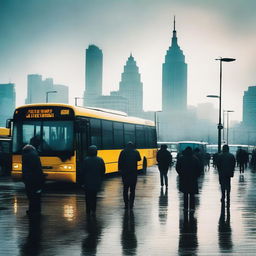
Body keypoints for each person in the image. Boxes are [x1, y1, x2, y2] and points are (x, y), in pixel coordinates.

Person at [22, 144, 45, 216]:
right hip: (35, 178)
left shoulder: (27, 155)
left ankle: (33, 210)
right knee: (36, 195)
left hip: (31, 179)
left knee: (31, 195)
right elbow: (38, 168)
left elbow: (28, 169)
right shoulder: (34, 154)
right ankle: (36, 210)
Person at [82, 145, 106, 216]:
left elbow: (82, 171)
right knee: (94, 196)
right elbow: (103, 171)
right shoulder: (100, 160)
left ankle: (88, 210)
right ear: (96, 152)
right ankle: (93, 210)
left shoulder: (85, 160)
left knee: (87, 197)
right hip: (96, 182)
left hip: (87, 182)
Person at [176, 146, 201, 211]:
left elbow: (177, 167)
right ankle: (192, 207)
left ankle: (185, 207)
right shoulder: (195, 159)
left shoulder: (181, 158)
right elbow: (199, 169)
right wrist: (196, 176)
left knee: (185, 193)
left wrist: (181, 174)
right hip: (193, 178)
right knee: (192, 193)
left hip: (184, 178)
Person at [118, 142, 141, 210]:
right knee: (132, 190)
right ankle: (131, 204)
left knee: (125, 189)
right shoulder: (136, 152)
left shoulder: (123, 152)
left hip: (125, 173)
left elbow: (120, 161)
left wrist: (119, 170)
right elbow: (139, 159)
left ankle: (126, 204)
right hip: (133, 173)